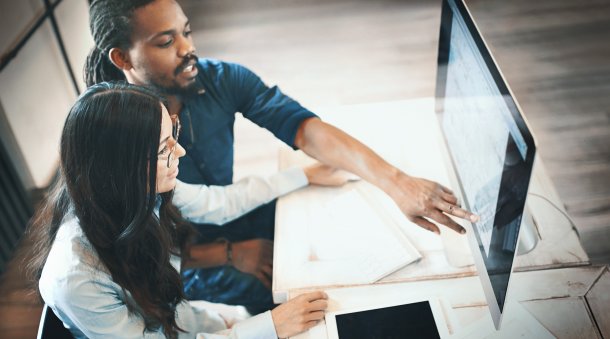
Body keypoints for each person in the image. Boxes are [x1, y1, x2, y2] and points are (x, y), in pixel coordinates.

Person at [84, 0, 479, 314]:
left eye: (186, 32)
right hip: (170, 263)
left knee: (324, 229)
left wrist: (398, 183)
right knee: (290, 291)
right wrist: (228, 253)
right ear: (123, 59)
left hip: (223, 214)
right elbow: (124, 254)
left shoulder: (219, 78)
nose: (189, 49)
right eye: (166, 42)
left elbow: (302, 127)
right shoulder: (108, 136)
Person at [27, 81, 329, 338]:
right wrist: (269, 326)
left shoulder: (139, 191)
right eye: (163, 149)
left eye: (174, 133)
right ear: (118, 170)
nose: (179, 151)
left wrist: (304, 175)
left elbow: (218, 203)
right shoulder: (76, 278)